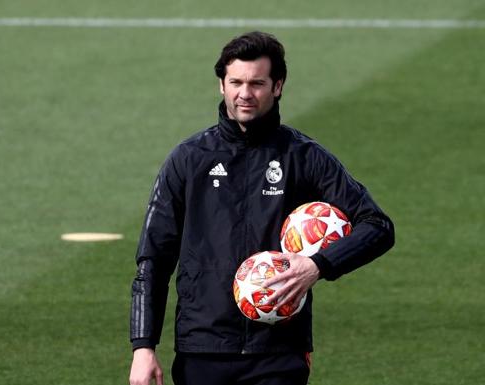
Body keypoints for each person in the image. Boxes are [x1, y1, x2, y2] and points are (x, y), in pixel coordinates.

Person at [129, 31, 394, 385]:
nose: (245, 93)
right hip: (203, 349)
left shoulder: (303, 157)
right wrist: (143, 347)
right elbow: (153, 258)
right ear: (221, 85)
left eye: (257, 83)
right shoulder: (189, 159)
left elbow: (377, 225)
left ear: (278, 86)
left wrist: (317, 265)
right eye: (236, 82)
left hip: (279, 351)